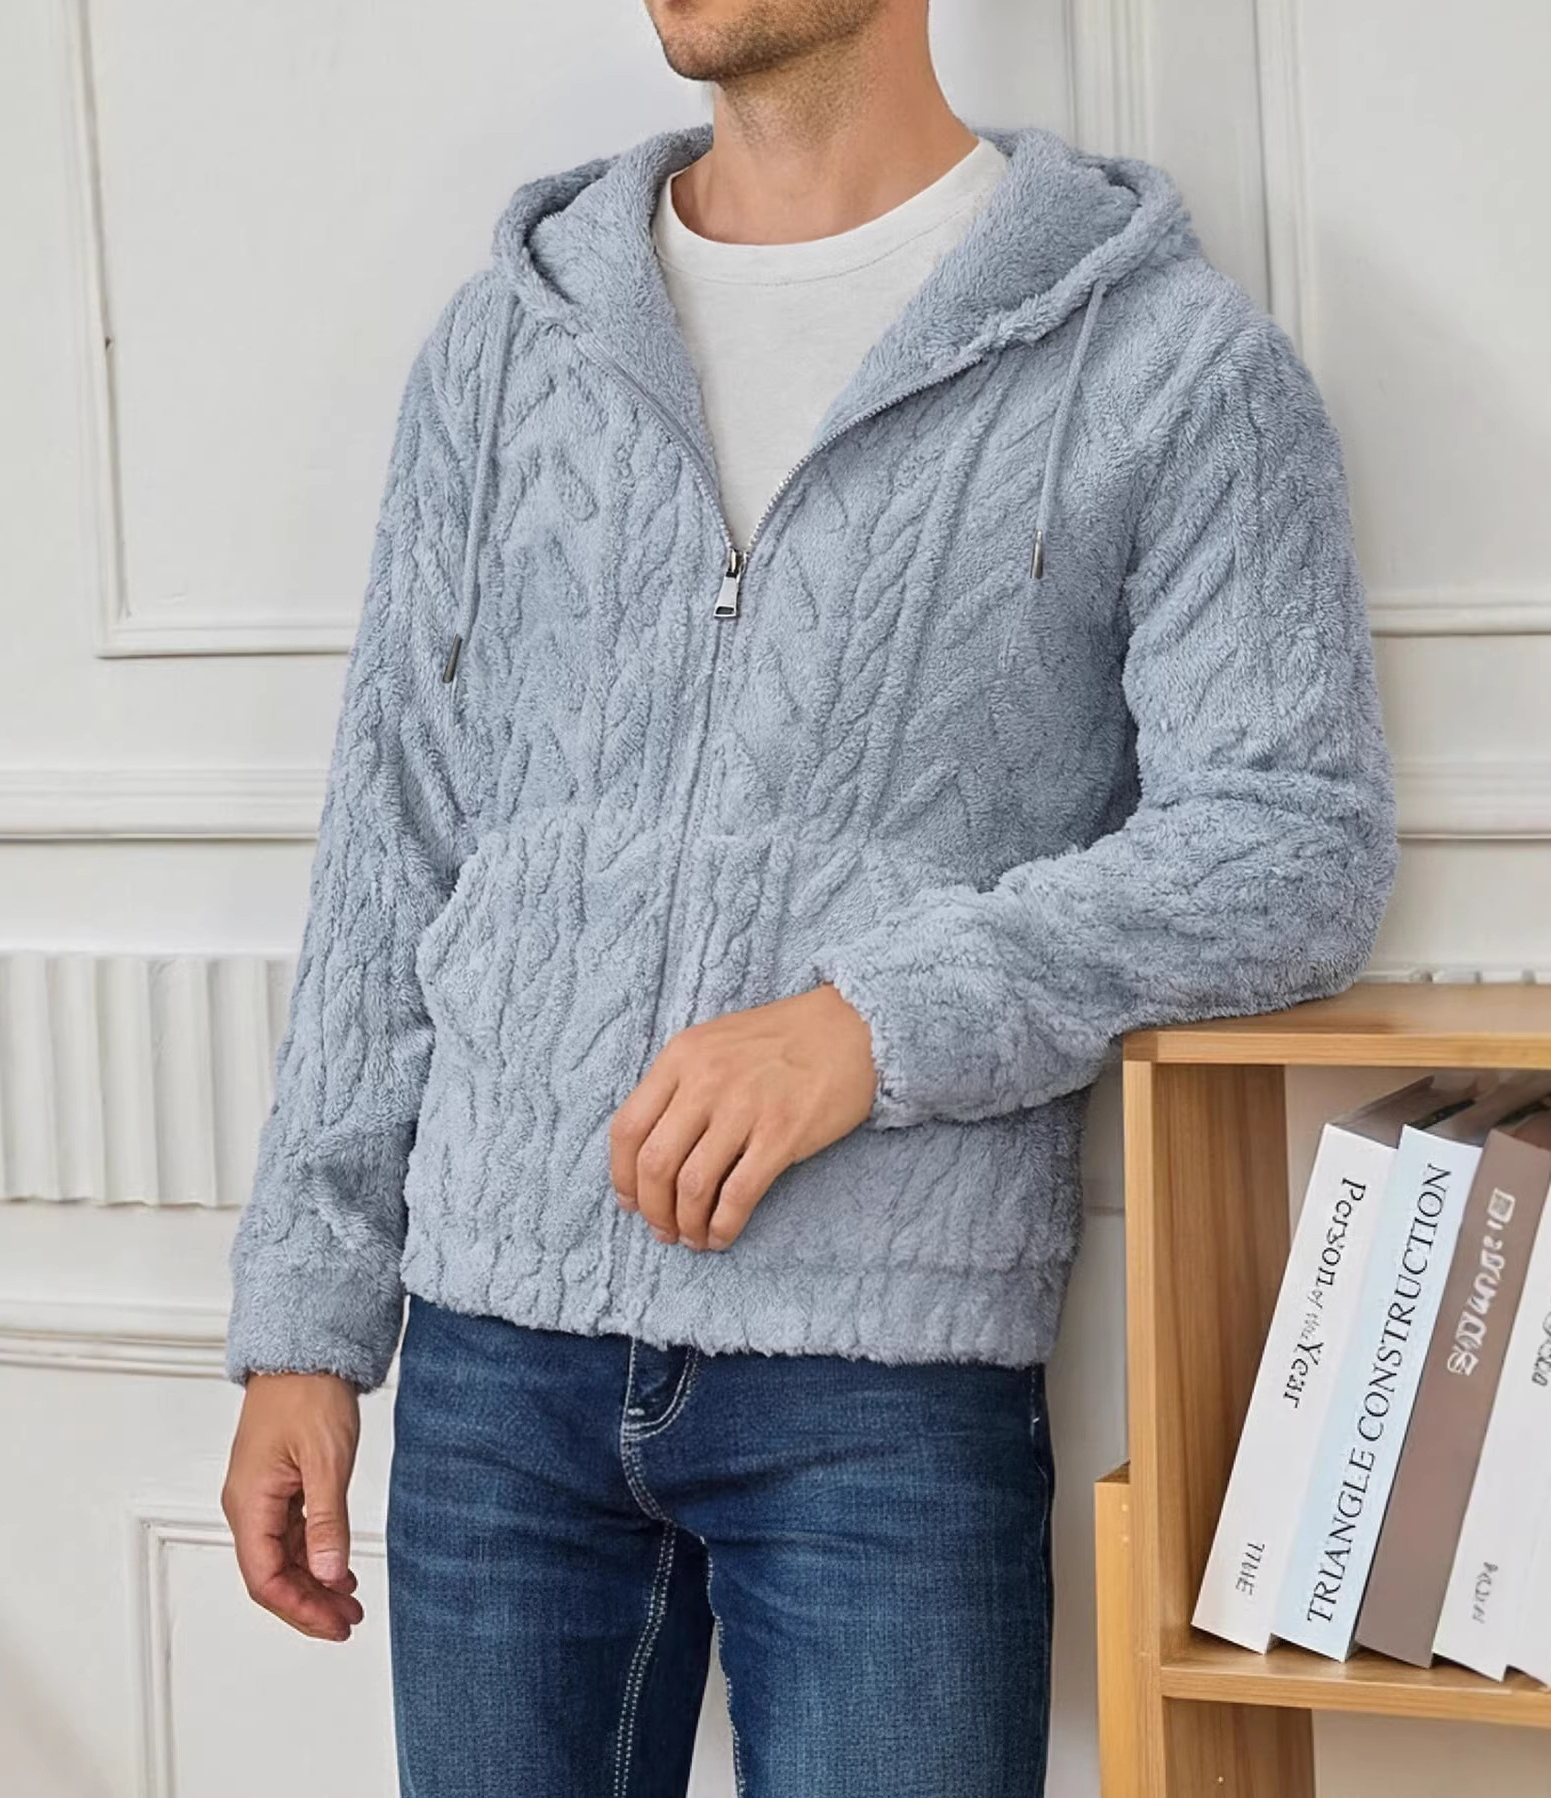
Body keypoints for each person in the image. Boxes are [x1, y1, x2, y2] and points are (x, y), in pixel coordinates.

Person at [218, 0, 1398, 1791]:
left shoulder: (1164, 362)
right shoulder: (508, 341)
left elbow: (1292, 839)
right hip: (488, 1363)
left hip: (879, 1371)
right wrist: (306, 1323)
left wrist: (872, 1019)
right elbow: (395, 832)